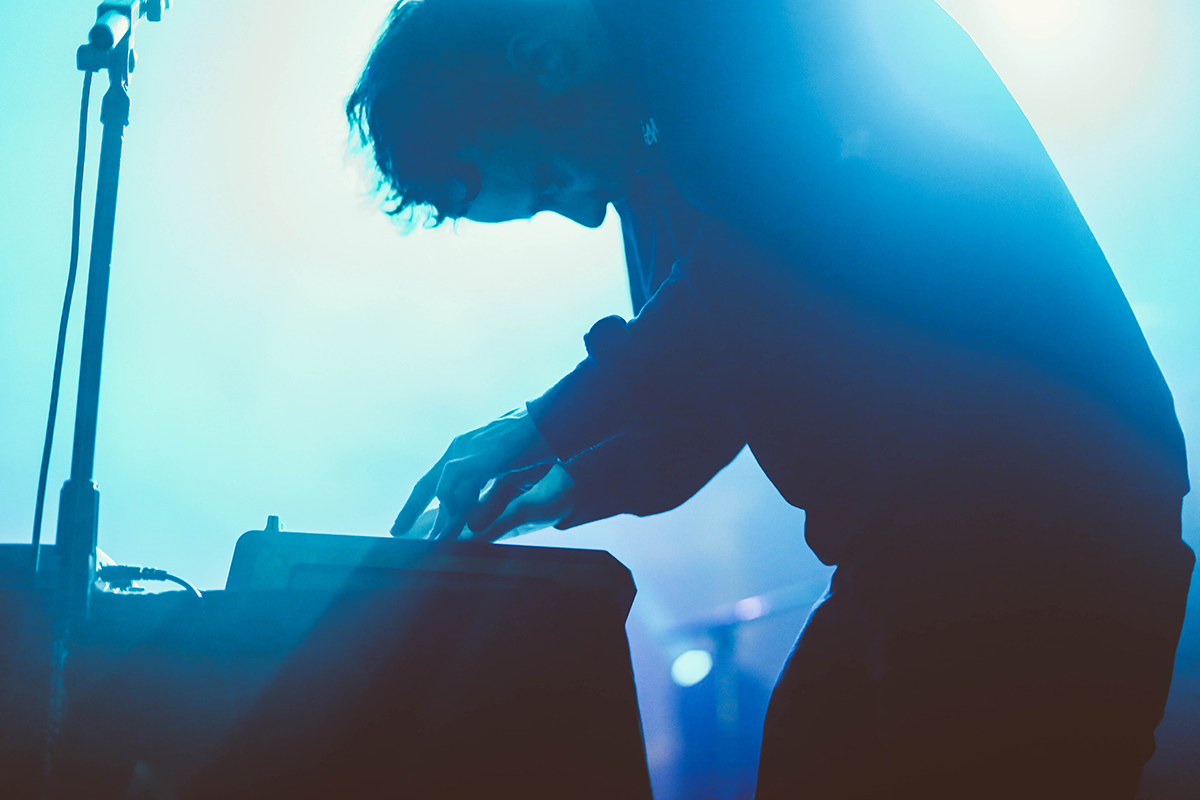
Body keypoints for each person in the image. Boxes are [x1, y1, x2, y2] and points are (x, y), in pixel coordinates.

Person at [346, 0, 1193, 797]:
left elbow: (764, 270)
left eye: (549, 175)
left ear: (547, 58)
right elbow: (712, 389)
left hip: (1038, 525)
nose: (583, 212)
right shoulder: (649, 136)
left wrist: (540, 420)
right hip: (922, 550)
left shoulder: (731, 30)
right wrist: (558, 482)